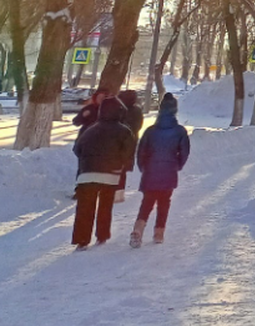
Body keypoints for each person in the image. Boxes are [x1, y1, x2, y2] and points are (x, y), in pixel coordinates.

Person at [71, 97, 136, 250]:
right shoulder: (124, 131)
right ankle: (102, 235)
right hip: (110, 175)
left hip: (86, 174)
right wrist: (121, 166)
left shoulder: (90, 129)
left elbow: (77, 149)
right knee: (105, 207)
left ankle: (82, 240)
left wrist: (88, 161)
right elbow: (128, 153)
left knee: (85, 208)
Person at [130, 93, 190, 248]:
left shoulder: (150, 131)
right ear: (175, 110)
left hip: (150, 171)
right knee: (164, 203)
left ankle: (138, 229)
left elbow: (141, 151)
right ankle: (158, 234)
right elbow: (184, 152)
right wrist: (177, 165)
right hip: (169, 172)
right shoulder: (179, 131)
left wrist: (143, 167)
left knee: (147, 201)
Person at [114, 89, 145, 203]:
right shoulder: (136, 110)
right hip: (129, 143)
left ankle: (116, 193)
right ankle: (118, 193)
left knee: (117, 168)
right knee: (121, 169)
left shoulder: (123, 110)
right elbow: (137, 126)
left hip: (120, 143)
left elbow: (133, 126)